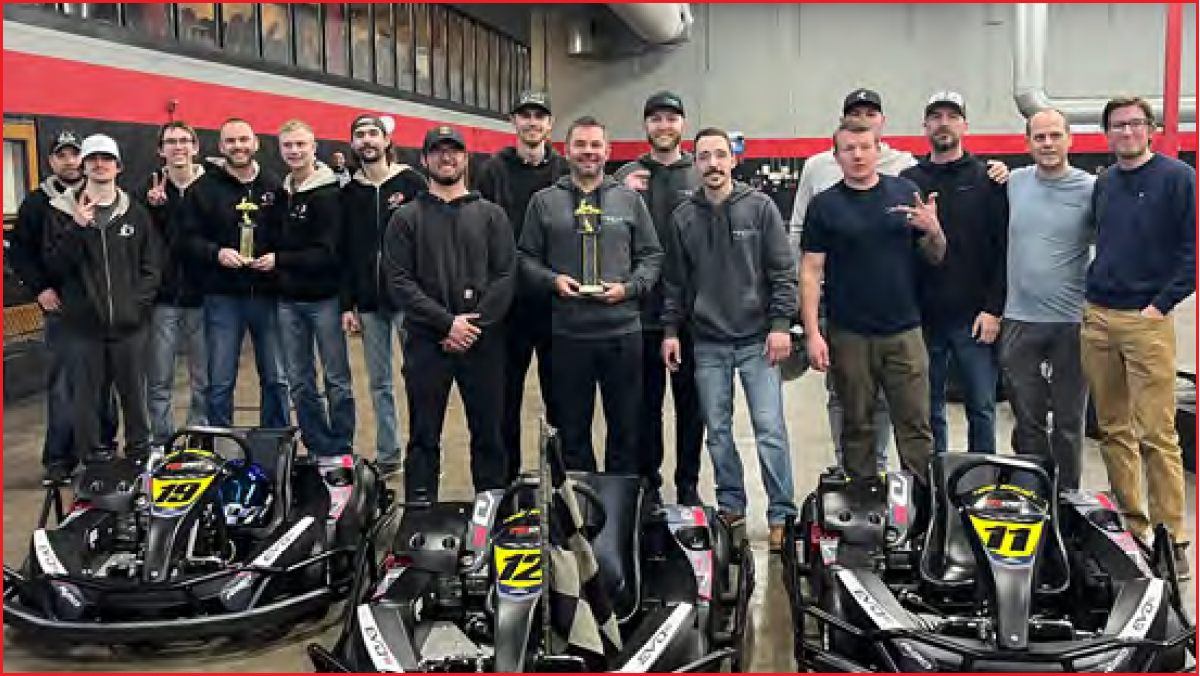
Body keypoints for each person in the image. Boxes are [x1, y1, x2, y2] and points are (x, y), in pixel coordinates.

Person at [661, 127, 798, 547]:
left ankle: (781, 515)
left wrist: (779, 326)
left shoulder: (760, 208)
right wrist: (670, 331)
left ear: (733, 159)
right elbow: (674, 285)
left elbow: (783, 273)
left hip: (758, 341)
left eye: (721, 155)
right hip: (708, 343)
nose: (714, 164)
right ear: (695, 163)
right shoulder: (683, 217)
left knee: (769, 429)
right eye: (705, 157)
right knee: (717, 432)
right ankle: (732, 510)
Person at [1082, 96, 1196, 578]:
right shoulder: (1105, 182)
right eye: (1116, 125)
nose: (1126, 132)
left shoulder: (1177, 178)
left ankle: (1174, 538)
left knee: (1157, 432)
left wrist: (1159, 306)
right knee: (1113, 430)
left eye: (1134, 124)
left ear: (1150, 129)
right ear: (1106, 133)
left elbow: (1193, 253)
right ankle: (1134, 527)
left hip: (1146, 322)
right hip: (1099, 318)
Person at [800, 120, 946, 483]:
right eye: (848, 148)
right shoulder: (824, 205)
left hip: (905, 332)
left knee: (915, 427)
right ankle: (863, 508)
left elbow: (935, 255)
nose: (858, 154)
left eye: (865, 146)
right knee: (857, 427)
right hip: (849, 334)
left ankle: (922, 512)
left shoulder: (905, 191)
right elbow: (810, 272)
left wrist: (934, 230)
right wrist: (813, 333)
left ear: (878, 149)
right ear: (836, 157)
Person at [518, 116, 663, 476]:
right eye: (580, 145)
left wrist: (629, 288)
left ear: (608, 151)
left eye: (596, 145)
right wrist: (553, 281)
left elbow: (651, 256)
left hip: (622, 334)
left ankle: (619, 512)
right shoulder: (544, 202)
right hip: (568, 335)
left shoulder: (629, 200)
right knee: (572, 432)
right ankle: (581, 512)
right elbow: (524, 258)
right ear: (567, 150)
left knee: (626, 430)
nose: (588, 152)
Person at [383, 126, 515, 501]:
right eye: (438, 152)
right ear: (424, 160)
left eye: (454, 151)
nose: (447, 158)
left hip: (483, 344)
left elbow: (506, 275)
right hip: (427, 343)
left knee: (489, 435)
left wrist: (472, 326)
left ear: (465, 158)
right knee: (424, 436)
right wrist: (446, 323)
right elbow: (399, 281)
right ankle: (420, 512)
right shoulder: (406, 218)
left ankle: (489, 513)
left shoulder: (492, 216)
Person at [790, 89, 914, 471]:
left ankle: (891, 479)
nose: (857, 155)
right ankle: (853, 476)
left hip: (897, 315)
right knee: (847, 402)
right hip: (839, 309)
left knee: (904, 413)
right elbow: (801, 239)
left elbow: (924, 245)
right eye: (855, 113)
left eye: (870, 113)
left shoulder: (905, 168)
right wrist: (808, 316)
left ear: (880, 129)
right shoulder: (818, 172)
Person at [42, 134, 162, 467]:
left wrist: (137, 306)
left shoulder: (135, 213)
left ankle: (139, 456)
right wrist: (78, 227)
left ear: (118, 167)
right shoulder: (61, 212)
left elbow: (152, 266)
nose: (99, 164)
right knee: (88, 399)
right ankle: (94, 460)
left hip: (129, 326)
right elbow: (55, 266)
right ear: (83, 166)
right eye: (92, 158)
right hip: (83, 327)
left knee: (134, 397)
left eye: (106, 159)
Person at [901, 92, 1008, 455]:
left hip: (975, 319)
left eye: (951, 116)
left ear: (964, 124)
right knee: (928, 412)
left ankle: (982, 482)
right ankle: (937, 488)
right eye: (935, 117)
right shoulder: (908, 180)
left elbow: (1003, 250)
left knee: (981, 408)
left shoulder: (988, 179)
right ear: (925, 126)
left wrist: (994, 309)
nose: (943, 123)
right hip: (923, 320)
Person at [613, 91, 705, 506]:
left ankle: (687, 484)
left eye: (671, 118)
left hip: (691, 315)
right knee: (645, 407)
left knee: (691, 408)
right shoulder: (628, 175)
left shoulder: (699, 174)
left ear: (682, 124)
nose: (664, 126)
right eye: (656, 119)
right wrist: (619, 192)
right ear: (646, 126)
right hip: (642, 314)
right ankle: (648, 481)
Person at [10, 130, 117, 482]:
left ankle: (103, 447)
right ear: (51, 161)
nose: (70, 161)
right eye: (62, 155)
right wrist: (40, 289)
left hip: (102, 309)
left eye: (76, 154)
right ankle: (58, 459)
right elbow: (21, 253)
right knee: (64, 385)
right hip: (60, 309)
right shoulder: (39, 203)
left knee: (104, 383)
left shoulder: (106, 197)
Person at [473, 90, 569, 484]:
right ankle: (507, 482)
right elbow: (480, 233)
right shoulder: (493, 170)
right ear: (514, 121)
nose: (532, 123)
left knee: (560, 402)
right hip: (507, 307)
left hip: (554, 303)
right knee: (504, 400)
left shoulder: (564, 169)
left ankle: (558, 484)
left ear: (549, 124)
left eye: (539, 116)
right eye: (525, 115)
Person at [1000, 108, 1095, 490]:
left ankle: (1067, 495)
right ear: (1027, 144)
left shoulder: (1091, 188)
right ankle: (1031, 492)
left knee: (1070, 421)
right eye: (1039, 137)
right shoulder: (1014, 182)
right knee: (1027, 419)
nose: (1048, 144)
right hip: (1019, 319)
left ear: (1070, 139)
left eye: (1055, 135)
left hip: (1072, 322)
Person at [179, 118, 289, 430]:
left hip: (267, 295)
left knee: (276, 377)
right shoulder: (203, 189)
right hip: (222, 297)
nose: (238, 146)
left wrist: (276, 258)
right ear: (220, 146)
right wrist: (216, 253)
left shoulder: (274, 186)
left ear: (256, 143)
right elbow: (185, 239)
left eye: (243, 140)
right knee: (221, 379)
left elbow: (286, 235)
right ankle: (221, 443)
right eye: (231, 141)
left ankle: (275, 440)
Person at [340, 113, 428, 477]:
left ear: (386, 140)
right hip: (369, 303)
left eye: (373, 133)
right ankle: (389, 454)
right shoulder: (348, 194)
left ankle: (424, 452)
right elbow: (342, 251)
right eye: (360, 135)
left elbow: (430, 239)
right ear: (354, 144)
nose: (367, 140)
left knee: (419, 377)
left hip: (410, 302)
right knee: (379, 383)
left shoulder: (411, 182)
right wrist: (348, 304)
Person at [263, 119, 355, 462]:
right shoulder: (282, 192)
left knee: (337, 380)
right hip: (288, 302)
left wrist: (279, 259)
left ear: (314, 147)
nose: (295, 151)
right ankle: (318, 446)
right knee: (300, 381)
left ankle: (341, 445)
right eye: (288, 145)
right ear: (280, 149)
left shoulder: (330, 192)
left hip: (325, 301)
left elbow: (328, 252)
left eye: (301, 144)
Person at [141, 121, 208, 450]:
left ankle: (199, 437)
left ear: (195, 147)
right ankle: (161, 441)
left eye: (184, 141)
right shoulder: (149, 189)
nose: (178, 147)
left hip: (204, 297)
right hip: (164, 299)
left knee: (203, 378)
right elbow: (145, 243)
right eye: (171, 141)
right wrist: (155, 211)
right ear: (160, 149)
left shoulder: (212, 186)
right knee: (159, 377)